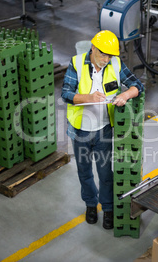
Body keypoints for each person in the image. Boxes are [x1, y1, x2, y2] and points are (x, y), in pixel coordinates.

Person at [61, 30, 144, 229]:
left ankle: (107, 209)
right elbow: (65, 93)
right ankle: (91, 205)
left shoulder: (115, 64)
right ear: (93, 49)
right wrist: (88, 97)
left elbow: (137, 84)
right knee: (84, 171)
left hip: (104, 130)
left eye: (109, 55)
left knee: (105, 173)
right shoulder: (77, 63)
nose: (106, 59)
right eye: (102, 54)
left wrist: (126, 96)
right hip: (81, 131)